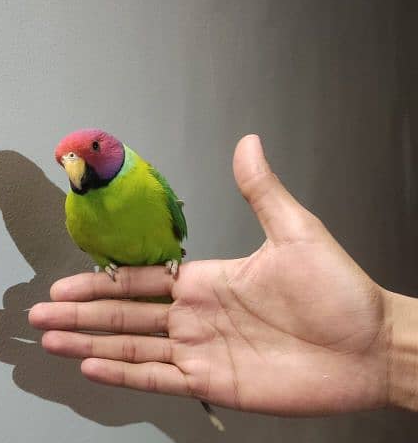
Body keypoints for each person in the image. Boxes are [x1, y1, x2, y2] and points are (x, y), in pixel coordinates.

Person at [29, 134, 418, 415]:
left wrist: (382, 344)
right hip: (128, 280)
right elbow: (87, 244)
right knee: (159, 333)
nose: (76, 164)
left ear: (114, 148)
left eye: (91, 149)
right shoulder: (75, 213)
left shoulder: (147, 180)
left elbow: (176, 228)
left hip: (165, 263)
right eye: (67, 161)